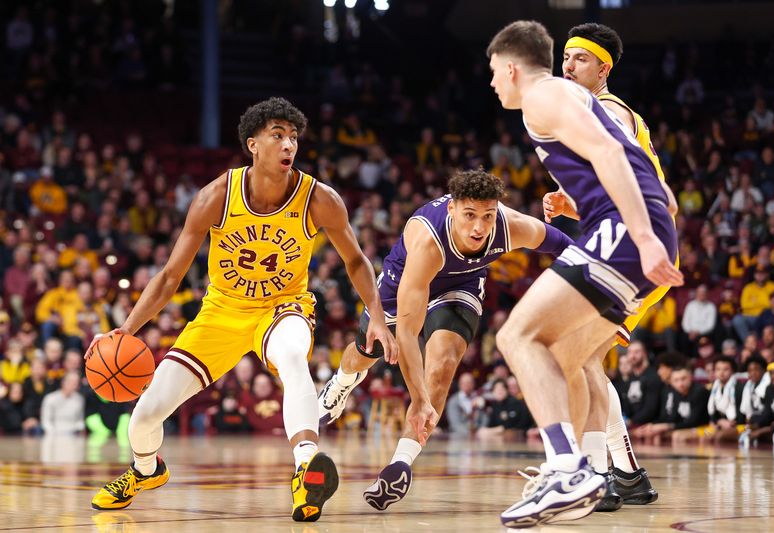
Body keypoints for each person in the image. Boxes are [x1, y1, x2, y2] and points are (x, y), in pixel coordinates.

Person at [85, 97, 397, 522]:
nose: (289, 145)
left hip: (282, 308)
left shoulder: (318, 199)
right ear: (252, 144)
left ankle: (307, 468)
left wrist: (376, 315)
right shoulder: (216, 195)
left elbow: (357, 261)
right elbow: (170, 276)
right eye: (278, 135)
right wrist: (124, 330)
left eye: (293, 138)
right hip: (220, 313)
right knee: (145, 416)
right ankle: (146, 469)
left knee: (292, 358)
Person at [486, 20, 682, 527]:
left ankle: (570, 470)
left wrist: (642, 235)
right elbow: (630, 169)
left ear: (510, 68)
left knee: (517, 336)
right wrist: (581, 200)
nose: (490, 84)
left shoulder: (545, 97)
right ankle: (585, 472)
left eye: (492, 72)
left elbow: (612, 153)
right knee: (563, 358)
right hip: (626, 224)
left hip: (624, 230)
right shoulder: (567, 99)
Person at [317, 169, 573, 510]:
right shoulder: (427, 240)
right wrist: (418, 396)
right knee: (369, 350)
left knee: (444, 362)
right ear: (452, 210)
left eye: (487, 216)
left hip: (461, 285)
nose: (479, 227)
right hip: (405, 282)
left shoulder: (511, 226)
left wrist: (598, 295)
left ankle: (400, 464)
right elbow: (408, 334)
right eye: (469, 215)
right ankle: (343, 381)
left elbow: (567, 247)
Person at [546, 23, 681, 511]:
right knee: (580, 355)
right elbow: (622, 189)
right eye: (565, 57)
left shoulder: (606, 110)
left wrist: (657, 218)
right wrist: (575, 204)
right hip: (627, 240)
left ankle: (602, 475)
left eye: (579, 58)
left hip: (634, 248)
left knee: (575, 354)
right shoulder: (594, 113)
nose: (568, 66)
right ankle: (624, 476)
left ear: (604, 67)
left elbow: (635, 179)